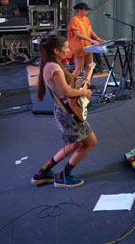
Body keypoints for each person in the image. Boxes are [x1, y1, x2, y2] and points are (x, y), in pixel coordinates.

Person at [31, 35, 97, 188]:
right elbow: (66, 91)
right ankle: (63, 177)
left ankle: (42, 173)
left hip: (64, 111)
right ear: (56, 50)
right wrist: (83, 93)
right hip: (69, 113)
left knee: (75, 145)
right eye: (66, 48)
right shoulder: (54, 67)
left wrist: (82, 83)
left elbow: (65, 87)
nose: (68, 50)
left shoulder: (50, 64)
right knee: (89, 143)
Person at [68, 2, 104, 78]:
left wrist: (98, 39)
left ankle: (86, 83)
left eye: (87, 10)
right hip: (78, 46)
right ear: (79, 10)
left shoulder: (86, 19)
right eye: (86, 10)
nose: (87, 12)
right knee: (79, 66)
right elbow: (77, 34)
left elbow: (90, 31)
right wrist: (91, 40)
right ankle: (71, 85)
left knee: (90, 65)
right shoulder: (74, 19)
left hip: (87, 45)